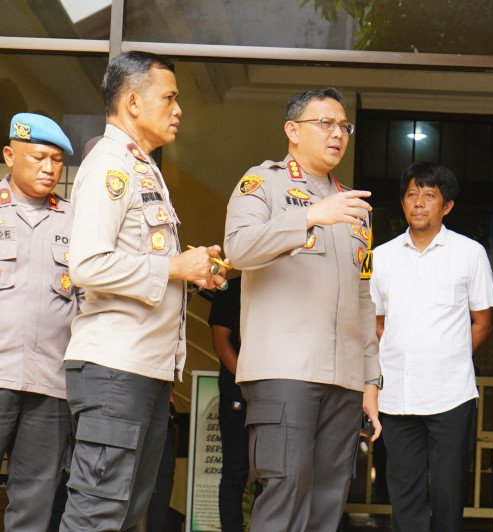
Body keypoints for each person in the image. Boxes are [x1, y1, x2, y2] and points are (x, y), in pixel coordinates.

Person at [60, 50, 229, 531]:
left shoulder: (145, 168)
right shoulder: (110, 167)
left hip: (145, 371)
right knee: (98, 515)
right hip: (116, 369)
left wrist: (192, 272)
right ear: (133, 102)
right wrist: (175, 265)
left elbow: (147, 268)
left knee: (129, 516)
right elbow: (88, 264)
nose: (179, 110)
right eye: (170, 98)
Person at [224, 87, 381, 531]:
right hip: (285, 373)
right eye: (325, 124)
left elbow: (363, 294)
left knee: (328, 502)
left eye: (343, 126)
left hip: (345, 378)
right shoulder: (262, 183)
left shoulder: (355, 207)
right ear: (292, 130)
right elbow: (238, 248)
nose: (338, 134)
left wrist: (370, 379)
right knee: (285, 492)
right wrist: (309, 217)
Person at [369, 162, 493, 531]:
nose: (419, 203)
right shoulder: (382, 257)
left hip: (451, 397)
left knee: (447, 494)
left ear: (447, 206)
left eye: (429, 195)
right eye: (412, 194)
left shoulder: (469, 253)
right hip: (396, 397)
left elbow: (483, 322)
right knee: (403, 493)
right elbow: (377, 325)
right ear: (403, 203)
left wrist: (447, 356)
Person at [0, 113, 79, 530]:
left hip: (51, 385)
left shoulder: (76, 221)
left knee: (34, 503)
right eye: (38, 157)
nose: (49, 168)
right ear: (10, 155)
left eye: (56, 160)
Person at [207, 275, 252, 531]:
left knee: (269, 473)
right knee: (236, 471)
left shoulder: (278, 287)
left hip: (275, 394)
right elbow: (220, 342)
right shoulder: (229, 288)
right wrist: (248, 382)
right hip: (238, 394)